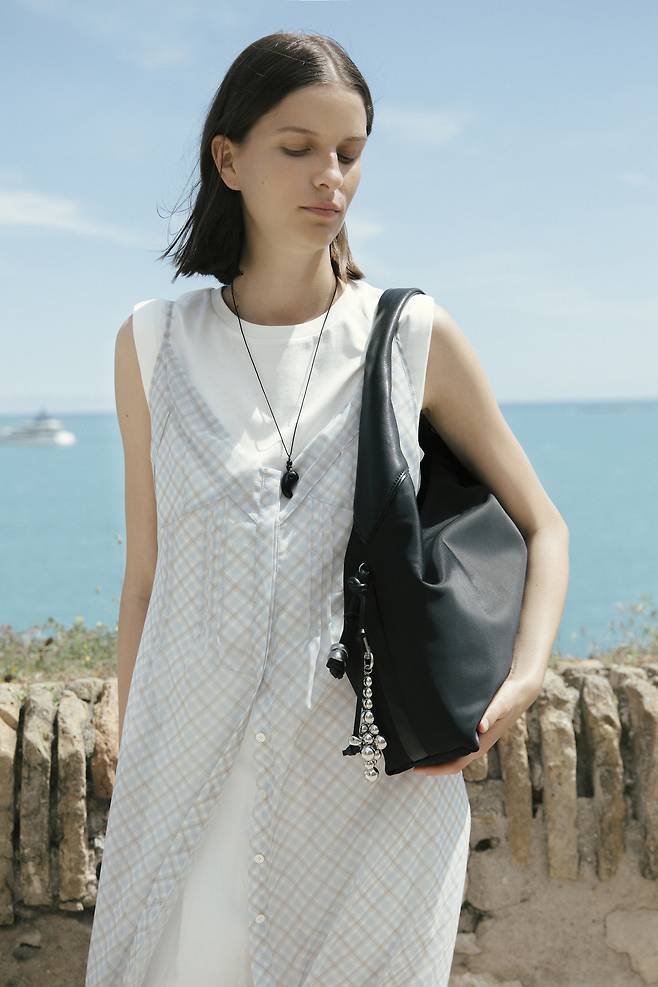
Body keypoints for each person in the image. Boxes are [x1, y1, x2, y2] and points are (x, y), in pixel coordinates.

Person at [85, 29, 569, 987]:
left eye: (349, 152)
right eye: (298, 147)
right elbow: (146, 576)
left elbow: (542, 523)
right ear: (229, 159)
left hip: (369, 795)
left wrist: (523, 679)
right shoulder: (152, 344)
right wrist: (135, 750)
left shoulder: (409, 333)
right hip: (187, 786)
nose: (330, 177)